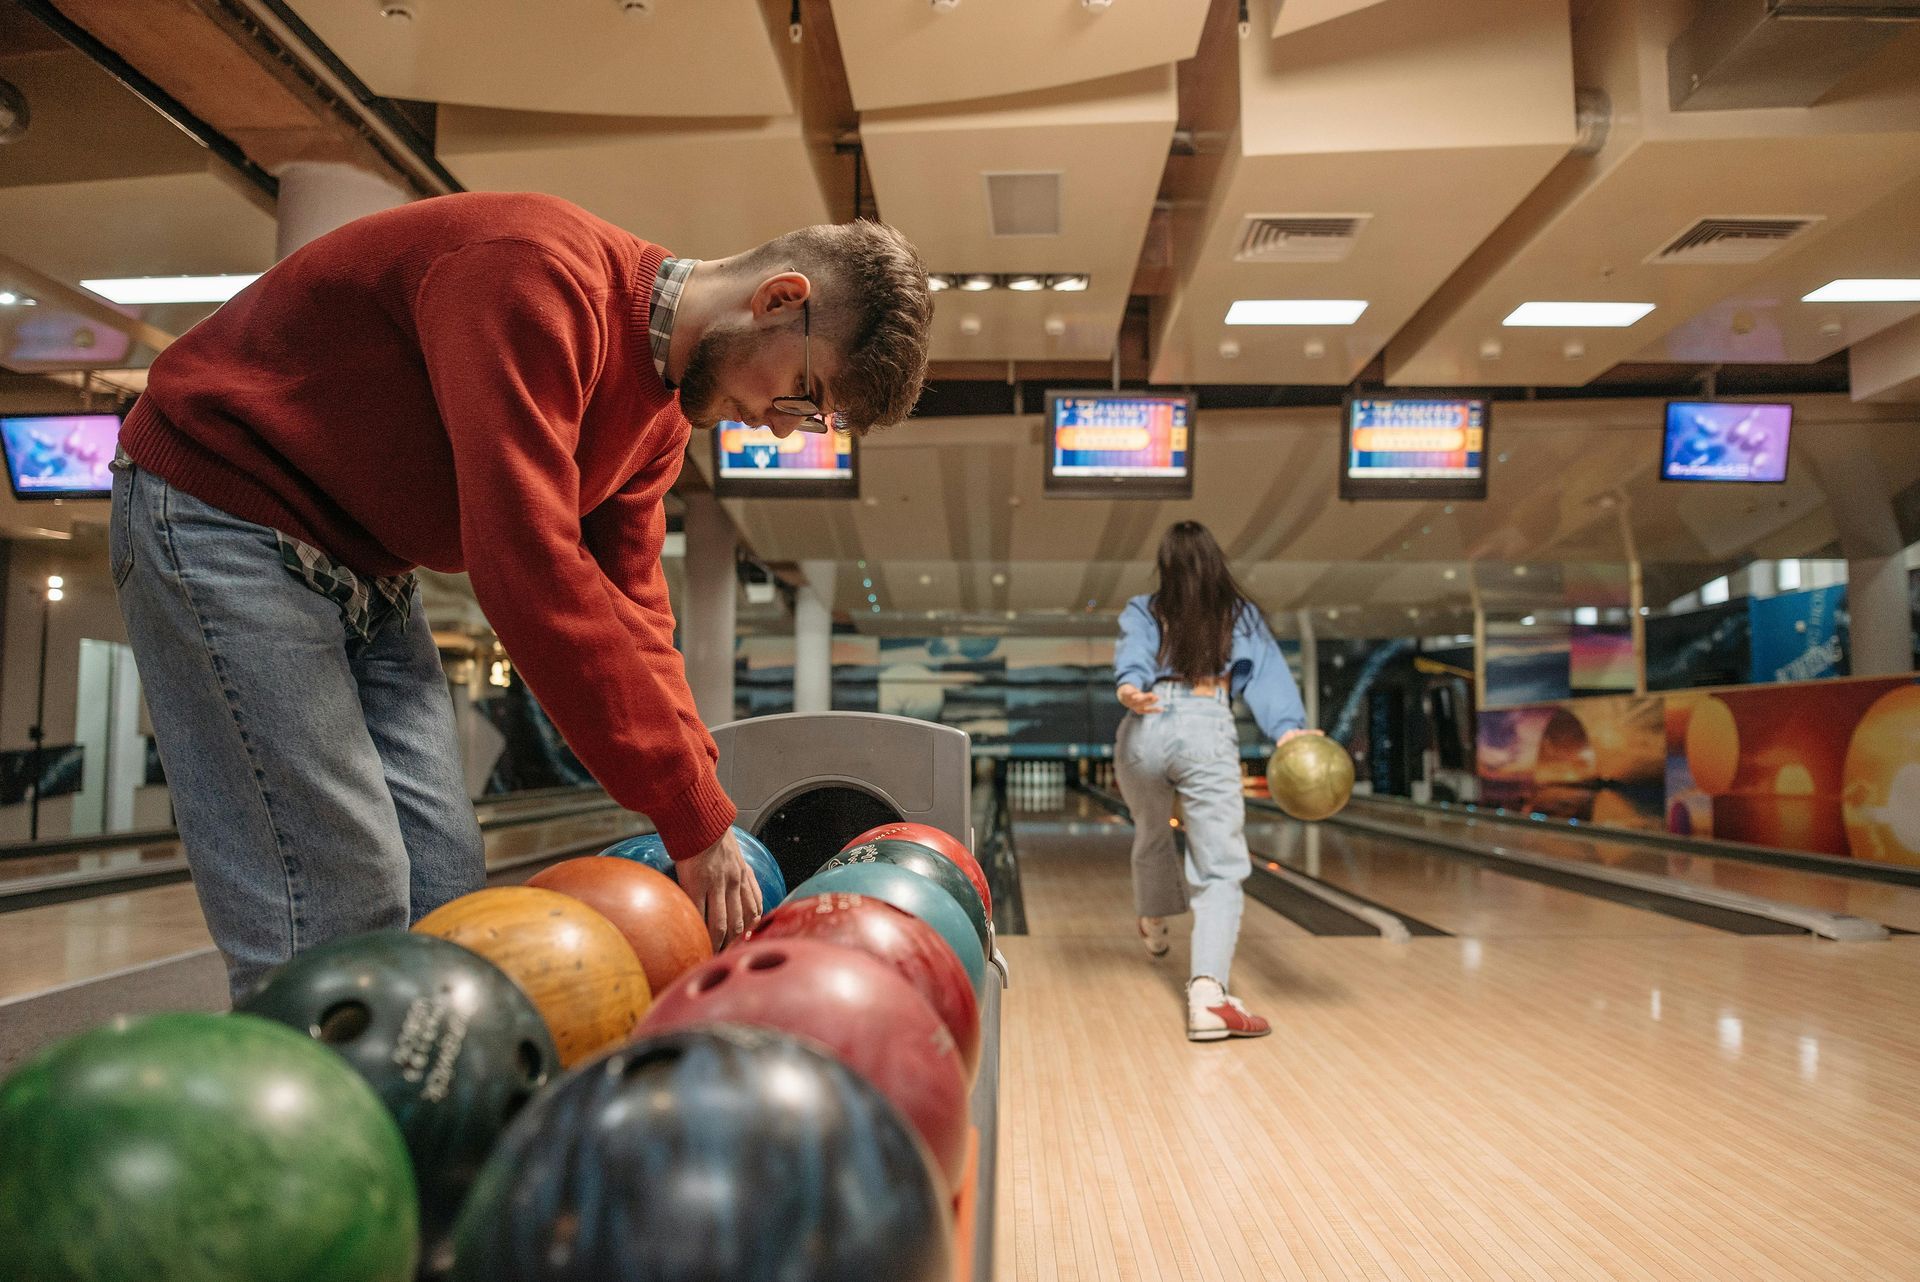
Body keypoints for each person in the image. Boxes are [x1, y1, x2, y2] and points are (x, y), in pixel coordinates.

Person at [110, 191, 933, 997]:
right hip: (227, 510)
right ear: (779, 300)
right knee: (336, 909)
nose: (784, 428)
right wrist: (689, 814)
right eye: (806, 394)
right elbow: (527, 566)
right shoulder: (534, 278)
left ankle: (430, 1116)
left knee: (448, 893)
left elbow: (636, 611)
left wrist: (698, 795)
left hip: (368, 566)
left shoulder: (660, 423)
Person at [1112, 520, 1315, 1042]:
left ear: (1165, 569)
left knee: (1151, 832)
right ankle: (1208, 997)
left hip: (1144, 727)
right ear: (1215, 563)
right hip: (1205, 721)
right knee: (1219, 869)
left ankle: (1154, 922)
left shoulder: (1145, 608)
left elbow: (1133, 656)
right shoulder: (1239, 614)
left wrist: (1132, 687)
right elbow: (1269, 677)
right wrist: (1289, 732)